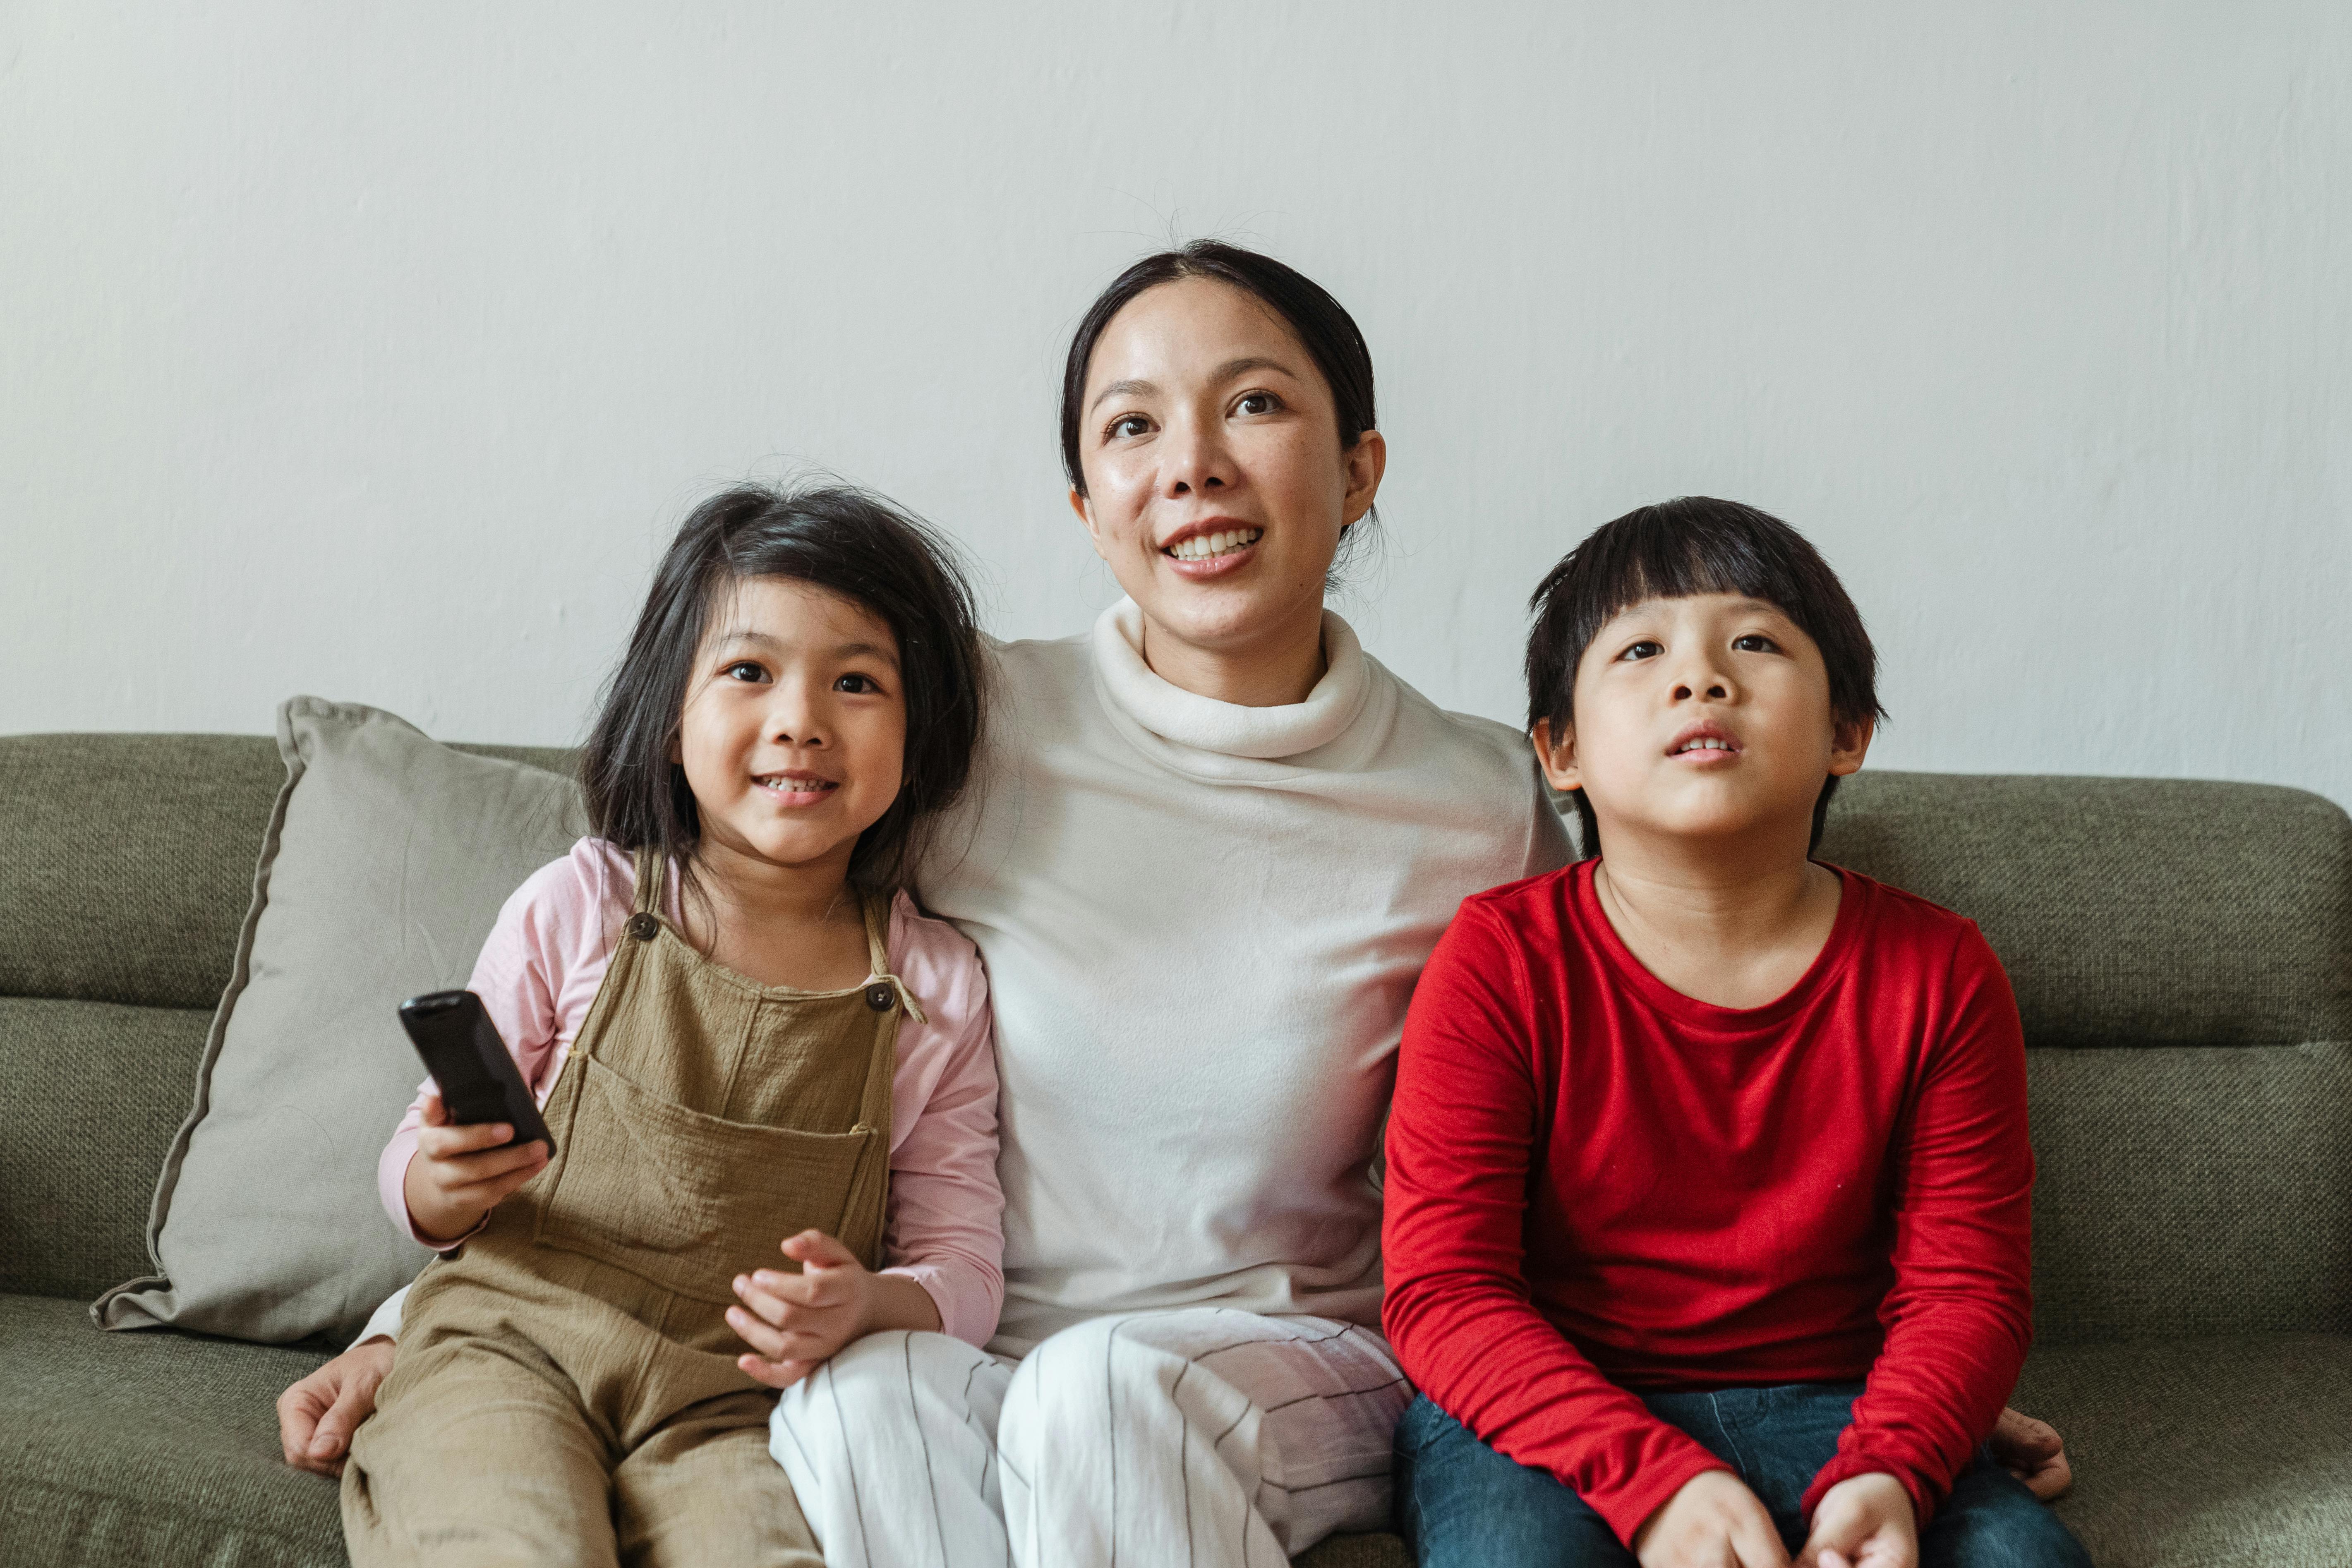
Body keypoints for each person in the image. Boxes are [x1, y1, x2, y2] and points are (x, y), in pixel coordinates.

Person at [279, 246, 2069, 1565]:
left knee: (1107, 1394)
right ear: (1085, 501)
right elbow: (678, 996)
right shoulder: (957, 726)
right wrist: (411, 1327)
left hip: (1293, 1354)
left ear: (1359, 470)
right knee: (848, 1404)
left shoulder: (1482, 793)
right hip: (971, 1340)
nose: (1194, 463)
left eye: (1257, 407)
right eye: (1133, 427)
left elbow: (1639, 1125)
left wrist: (1864, 1417)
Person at [1382, 499, 2091, 1568]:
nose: (1701, 678)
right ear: (1559, 748)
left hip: (1845, 1412)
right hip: (1554, 1418)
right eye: (1639, 649)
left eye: (1754, 642)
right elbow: (1444, 1293)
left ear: (1847, 732)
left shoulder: (1940, 972)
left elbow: (1966, 1292)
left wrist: (1893, 1465)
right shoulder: (1501, 961)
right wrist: (1656, 1484)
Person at [336, 484, 1005, 1568]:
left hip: (729, 1414)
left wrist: (871, 1304)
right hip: (506, 1348)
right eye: (750, 671)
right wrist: (436, 1185)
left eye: (857, 681)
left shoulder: (938, 984)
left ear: (922, 736)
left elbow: (967, 1266)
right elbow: (416, 1159)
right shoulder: (582, 903)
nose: (802, 719)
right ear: (671, 713)